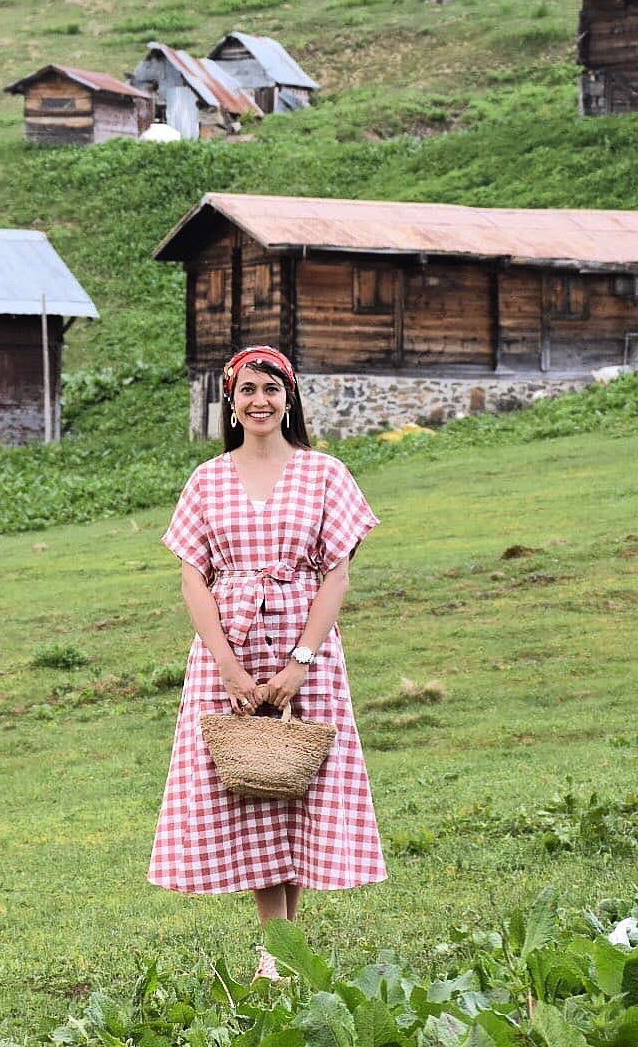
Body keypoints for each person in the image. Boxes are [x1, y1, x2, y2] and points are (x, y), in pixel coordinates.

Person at [148, 345, 387, 982]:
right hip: (231, 649)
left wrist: (301, 662)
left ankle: (281, 950)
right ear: (231, 400)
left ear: (289, 399)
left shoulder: (325, 473)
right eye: (247, 389)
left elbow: (336, 574)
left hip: (304, 649)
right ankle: (276, 948)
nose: (260, 400)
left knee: (296, 785)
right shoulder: (206, 479)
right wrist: (227, 667)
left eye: (271, 389)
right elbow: (193, 579)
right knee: (250, 784)